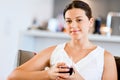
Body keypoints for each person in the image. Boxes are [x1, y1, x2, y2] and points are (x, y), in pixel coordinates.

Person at [7, 0, 117, 80]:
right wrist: (48, 74)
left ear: (91, 22)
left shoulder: (105, 57)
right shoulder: (54, 51)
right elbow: (13, 76)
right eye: (69, 21)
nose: (73, 25)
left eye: (79, 20)